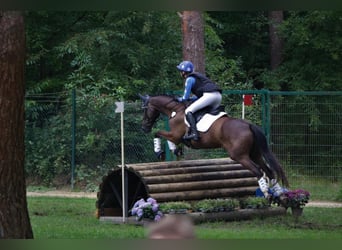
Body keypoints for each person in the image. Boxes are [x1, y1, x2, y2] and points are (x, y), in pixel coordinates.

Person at [176, 60, 222, 141]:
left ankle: (194, 133)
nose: (180, 73)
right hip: (218, 96)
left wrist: (179, 99)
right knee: (205, 112)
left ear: (183, 72)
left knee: (188, 111)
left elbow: (185, 98)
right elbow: (199, 97)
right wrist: (191, 98)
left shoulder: (189, 79)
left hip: (209, 96)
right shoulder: (198, 77)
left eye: (180, 71)